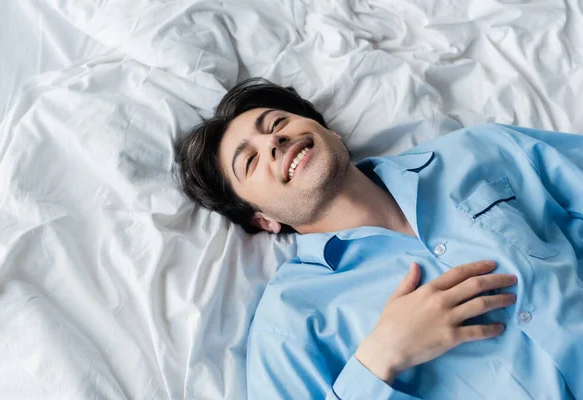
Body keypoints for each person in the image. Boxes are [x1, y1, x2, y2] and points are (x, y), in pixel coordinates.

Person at [173, 78, 583, 399]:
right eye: (250, 160)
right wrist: (379, 359)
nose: (272, 141)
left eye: (277, 124)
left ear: (327, 130)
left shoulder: (480, 149)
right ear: (263, 221)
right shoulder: (290, 324)